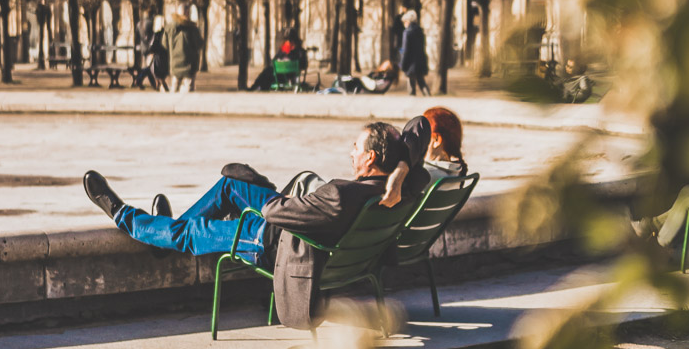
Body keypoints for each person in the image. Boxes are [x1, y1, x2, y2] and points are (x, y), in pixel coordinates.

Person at [83, 118, 432, 328]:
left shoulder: (341, 195)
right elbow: (420, 126)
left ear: (370, 157)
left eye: (355, 147)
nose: (350, 151)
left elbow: (275, 213)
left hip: (270, 243)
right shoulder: (408, 184)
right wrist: (400, 172)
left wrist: (268, 194)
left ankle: (123, 215)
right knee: (231, 186)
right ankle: (163, 240)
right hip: (309, 231)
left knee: (189, 233)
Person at [166, 4, 203, 93]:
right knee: (188, 91)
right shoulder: (193, 28)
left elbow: (164, 43)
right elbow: (199, 44)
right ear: (187, 13)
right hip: (189, 65)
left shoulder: (170, 27)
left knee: (174, 90)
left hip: (174, 64)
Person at [400, 8, 430, 97]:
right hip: (420, 61)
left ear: (408, 21)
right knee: (421, 82)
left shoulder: (407, 33)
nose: (404, 23)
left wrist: (402, 64)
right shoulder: (420, 31)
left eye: (405, 21)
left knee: (411, 84)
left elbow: (405, 50)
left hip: (410, 63)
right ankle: (429, 98)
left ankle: (412, 103)